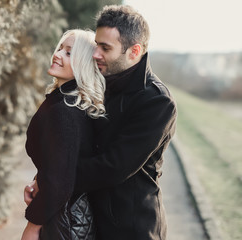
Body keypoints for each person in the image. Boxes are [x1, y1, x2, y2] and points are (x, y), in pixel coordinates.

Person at [25, 5, 177, 240]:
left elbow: (111, 167)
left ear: (134, 51)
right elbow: (73, 148)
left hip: (131, 228)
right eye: (97, 44)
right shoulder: (101, 83)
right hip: (92, 218)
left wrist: (50, 180)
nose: (95, 54)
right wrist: (45, 178)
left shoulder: (156, 102)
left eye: (105, 48)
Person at [21, 29, 106, 240]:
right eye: (60, 48)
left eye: (68, 53)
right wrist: (39, 180)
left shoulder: (65, 110)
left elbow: (60, 182)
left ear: (83, 63)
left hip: (64, 221)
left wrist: (32, 226)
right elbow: (63, 162)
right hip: (68, 215)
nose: (57, 54)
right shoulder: (70, 100)